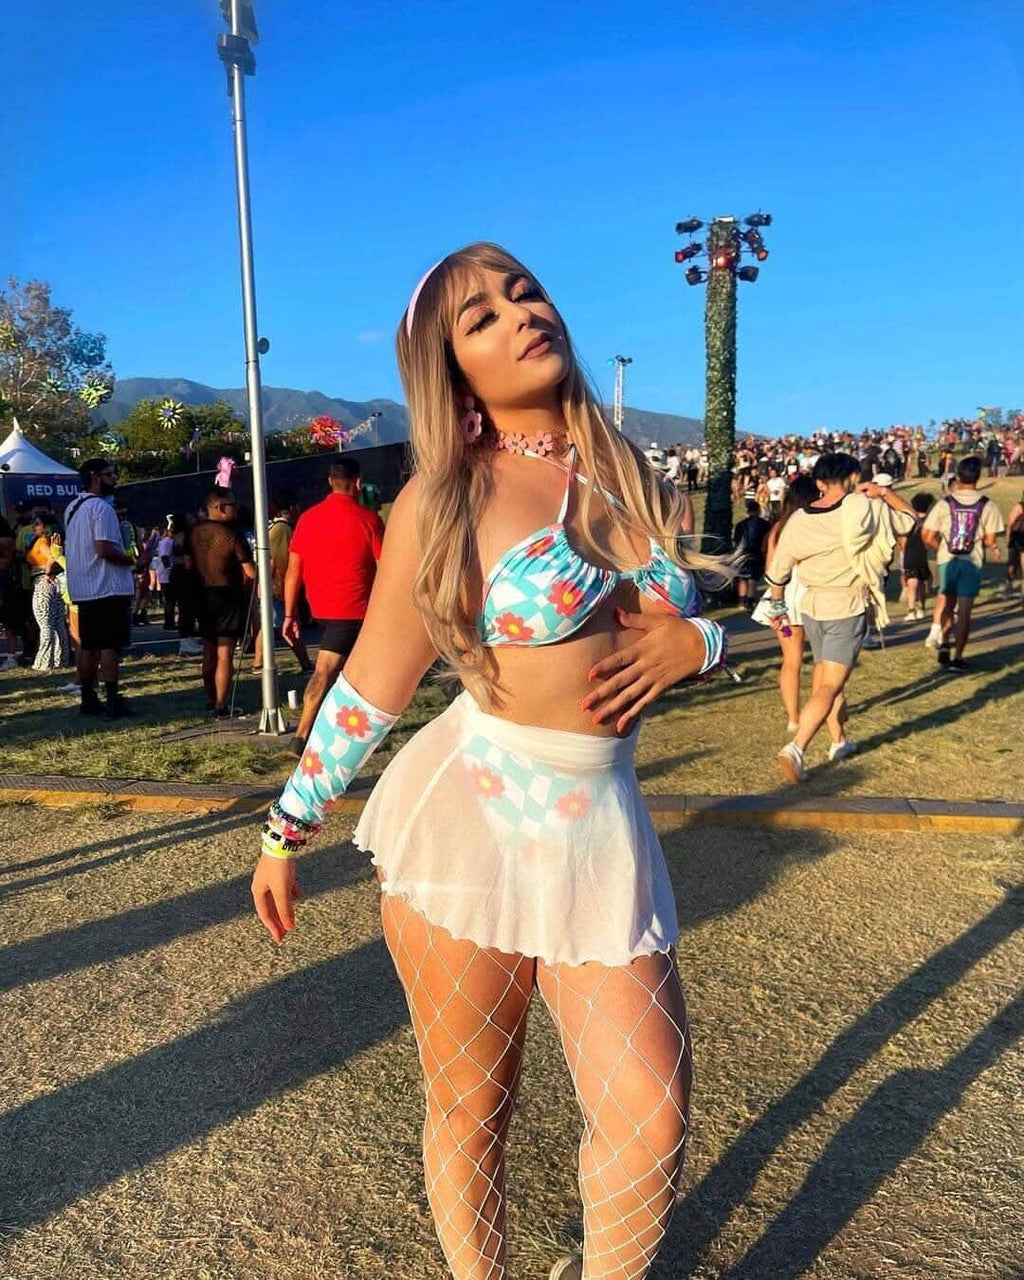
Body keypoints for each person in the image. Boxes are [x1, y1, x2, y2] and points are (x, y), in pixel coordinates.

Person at [251, 243, 729, 1280]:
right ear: (452, 370)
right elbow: (372, 685)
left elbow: (679, 623)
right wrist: (285, 832)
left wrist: (700, 642)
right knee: (474, 1106)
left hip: (600, 822)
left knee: (650, 1115)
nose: (521, 315)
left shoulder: (634, 471)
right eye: (482, 318)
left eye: (526, 292)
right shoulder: (445, 498)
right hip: (472, 816)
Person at [765, 453, 917, 783]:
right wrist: (883, 492)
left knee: (825, 680)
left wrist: (777, 607)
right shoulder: (866, 508)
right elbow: (909, 520)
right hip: (846, 606)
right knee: (830, 685)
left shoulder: (799, 519)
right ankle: (796, 748)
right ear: (852, 478)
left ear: (819, 483)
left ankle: (839, 741)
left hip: (811, 606)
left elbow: (779, 570)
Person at [283, 458, 385, 751]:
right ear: (358, 482)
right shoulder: (368, 520)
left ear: (330, 482)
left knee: (345, 673)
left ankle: (336, 729)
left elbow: (293, 570)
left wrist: (290, 614)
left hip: (320, 608)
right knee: (326, 671)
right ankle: (302, 735)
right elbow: (386, 566)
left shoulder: (307, 519)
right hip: (354, 607)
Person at [64, 459, 136, 718]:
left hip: (84, 587)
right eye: (110, 474)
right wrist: (132, 560)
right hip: (106, 586)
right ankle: (113, 699)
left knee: (88, 645)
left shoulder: (72, 507)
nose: (114, 478)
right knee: (109, 645)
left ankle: (88, 697)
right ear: (95, 477)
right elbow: (103, 549)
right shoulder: (102, 508)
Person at [922, 456, 1004, 671]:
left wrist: (941, 547)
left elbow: (927, 535)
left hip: (947, 559)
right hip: (972, 560)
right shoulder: (987, 505)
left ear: (957, 477)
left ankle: (944, 643)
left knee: (947, 604)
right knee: (965, 611)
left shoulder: (944, 503)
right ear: (978, 477)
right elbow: (990, 539)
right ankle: (958, 657)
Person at [751, 475, 816, 731]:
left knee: (791, 660)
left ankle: (793, 717)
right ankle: (821, 708)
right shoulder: (811, 524)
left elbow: (770, 568)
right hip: (808, 594)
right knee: (822, 658)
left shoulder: (778, 528)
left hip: (781, 598)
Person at [189, 485, 256, 716]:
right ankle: (221, 704)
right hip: (227, 596)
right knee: (224, 652)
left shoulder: (193, 532)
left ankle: (211, 698)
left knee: (209, 650)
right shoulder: (232, 535)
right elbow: (250, 571)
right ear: (219, 508)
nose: (236, 509)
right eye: (232, 505)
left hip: (202, 595)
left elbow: (187, 564)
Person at [252, 495, 312, 676]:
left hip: (270, 585)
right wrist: (281, 584)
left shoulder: (274, 527)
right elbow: (279, 559)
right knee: (287, 625)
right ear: (292, 508)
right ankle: (304, 662)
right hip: (277, 586)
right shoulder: (282, 529)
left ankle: (259, 662)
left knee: (269, 625)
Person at [26, 515, 71, 670]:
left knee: (46, 624)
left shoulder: (42, 541)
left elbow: (53, 558)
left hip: (44, 582)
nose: (34, 526)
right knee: (58, 624)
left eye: (37, 524)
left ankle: (44, 662)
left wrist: (48, 571)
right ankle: (61, 660)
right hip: (56, 582)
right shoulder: (57, 542)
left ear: (46, 527)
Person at [900, 493, 935, 621]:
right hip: (924, 553)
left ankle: (911, 610)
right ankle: (921, 608)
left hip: (910, 552)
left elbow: (903, 539)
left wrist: (902, 551)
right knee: (922, 582)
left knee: (912, 581)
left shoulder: (910, 519)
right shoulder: (930, 521)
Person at [732, 498, 770, 612]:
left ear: (748, 511)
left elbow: (736, 541)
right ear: (758, 510)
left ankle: (741, 601)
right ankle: (750, 601)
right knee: (752, 578)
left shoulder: (740, 525)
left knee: (743, 578)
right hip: (757, 552)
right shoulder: (765, 524)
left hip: (743, 553)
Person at [0, 513, 19, 669]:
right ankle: (11, 656)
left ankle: (12, 656)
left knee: (8, 621)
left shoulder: (6, 540)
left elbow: (6, 559)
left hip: (3, 580)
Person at [1003, 488, 1023, 604]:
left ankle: (1022, 594)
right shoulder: (1019, 507)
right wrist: (1008, 538)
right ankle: (1008, 586)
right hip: (1016, 539)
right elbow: (1010, 523)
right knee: (1012, 567)